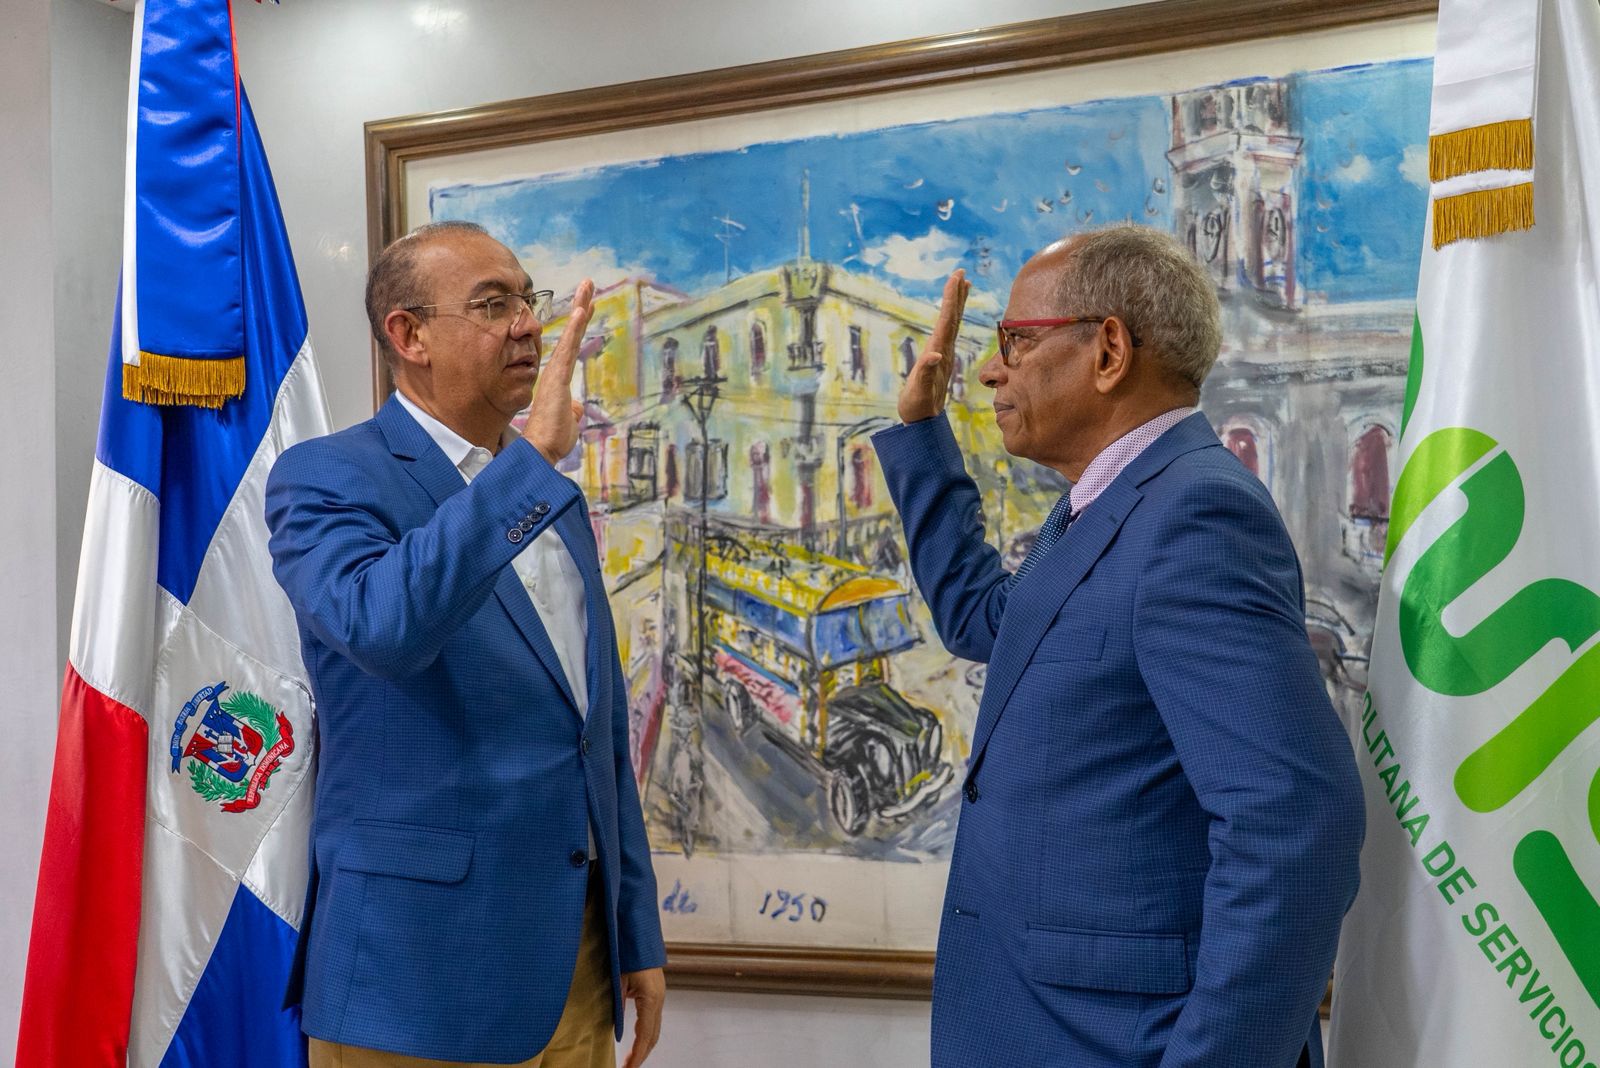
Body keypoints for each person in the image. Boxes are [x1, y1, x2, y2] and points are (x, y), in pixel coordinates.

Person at [872, 225, 1365, 1068]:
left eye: (1015, 341)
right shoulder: (1106, 507)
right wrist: (921, 432)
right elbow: (985, 618)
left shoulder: (1195, 517)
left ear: (1107, 351)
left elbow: (1294, 825)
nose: (989, 371)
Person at [265, 221, 665, 1068]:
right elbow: (384, 628)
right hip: (415, 978)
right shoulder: (326, 477)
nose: (526, 324)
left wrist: (634, 931)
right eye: (492, 305)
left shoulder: (547, 498)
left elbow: (593, 733)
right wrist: (533, 461)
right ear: (408, 335)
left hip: (575, 962)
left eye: (527, 299)